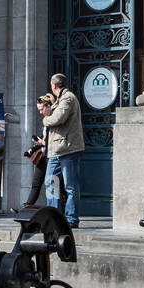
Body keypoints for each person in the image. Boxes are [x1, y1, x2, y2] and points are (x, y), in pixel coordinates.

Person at [43, 73, 84, 228]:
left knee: (71, 186)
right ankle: (54, 217)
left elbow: (57, 118)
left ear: (54, 85)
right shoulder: (60, 99)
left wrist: (45, 120)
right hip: (56, 151)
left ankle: (71, 219)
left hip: (68, 149)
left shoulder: (68, 98)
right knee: (50, 182)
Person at [21, 93, 64, 210]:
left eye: (41, 109)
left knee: (55, 185)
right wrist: (33, 148)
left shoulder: (56, 120)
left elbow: (56, 140)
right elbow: (44, 138)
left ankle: (58, 211)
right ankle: (28, 207)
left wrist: (43, 143)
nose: (40, 112)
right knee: (36, 183)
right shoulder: (46, 121)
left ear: (48, 106)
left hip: (54, 156)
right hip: (44, 156)